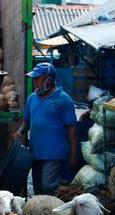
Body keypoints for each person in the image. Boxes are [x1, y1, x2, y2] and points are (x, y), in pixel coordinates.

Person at [14, 63, 77, 196]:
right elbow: (27, 121)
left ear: (50, 79)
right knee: (38, 191)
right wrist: (20, 131)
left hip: (55, 153)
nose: (34, 81)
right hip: (35, 153)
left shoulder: (64, 99)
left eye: (38, 78)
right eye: (33, 78)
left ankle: (57, 214)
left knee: (49, 186)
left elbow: (72, 129)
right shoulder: (32, 99)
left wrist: (73, 154)